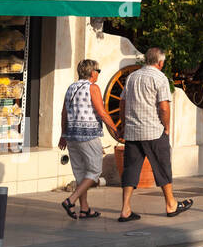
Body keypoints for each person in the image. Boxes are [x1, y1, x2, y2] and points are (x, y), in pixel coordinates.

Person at [118, 47, 192, 222]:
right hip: (153, 131)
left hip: (133, 132)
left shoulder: (132, 77)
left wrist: (123, 125)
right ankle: (171, 204)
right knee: (163, 167)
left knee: (130, 169)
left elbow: (122, 103)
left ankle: (125, 209)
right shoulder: (160, 78)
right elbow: (164, 106)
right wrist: (166, 127)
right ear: (160, 62)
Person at [58, 59, 119, 220]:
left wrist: (63, 135)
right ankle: (70, 200)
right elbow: (102, 112)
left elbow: (64, 113)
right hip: (88, 135)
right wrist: (115, 128)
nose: (98, 74)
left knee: (81, 173)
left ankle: (84, 209)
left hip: (71, 136)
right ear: (93, 73)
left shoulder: (71, 88)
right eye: (98, 71)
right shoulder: (93, 88)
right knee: (94, 171)